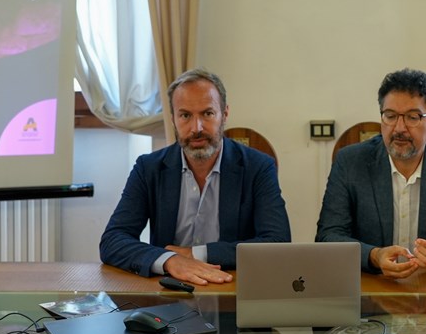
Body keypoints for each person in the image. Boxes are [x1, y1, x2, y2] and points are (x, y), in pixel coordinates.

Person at [100, 68, 291, 285]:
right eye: (185, 115)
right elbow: (113, 240)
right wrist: (170, 260)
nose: (196, 128)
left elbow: (277, 243)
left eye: (207, 114)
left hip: (232, 287)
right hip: (169, 291)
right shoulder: (149, 168)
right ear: (173, 119)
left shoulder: (258, 166)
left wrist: (196, 254)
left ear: (224, 114)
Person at [316, 68, 426, 278]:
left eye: (412, 117)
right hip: (372, 284)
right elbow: (328, 236)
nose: (399, 128)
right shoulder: (350, 161)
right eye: (390, 116)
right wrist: (374, 256)